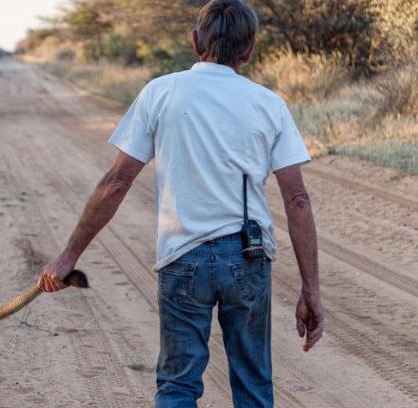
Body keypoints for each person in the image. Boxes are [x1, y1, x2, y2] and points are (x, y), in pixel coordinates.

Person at [38, 0, 324, 406]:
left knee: (178, 386)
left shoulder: (161, 92)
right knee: (253, 387)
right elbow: (296, 199)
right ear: (250, 48)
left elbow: (116, 182)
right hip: (248, 258)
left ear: (195, 41)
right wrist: (311, 290)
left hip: (182, 257)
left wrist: (68, 256)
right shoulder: (269, 104)